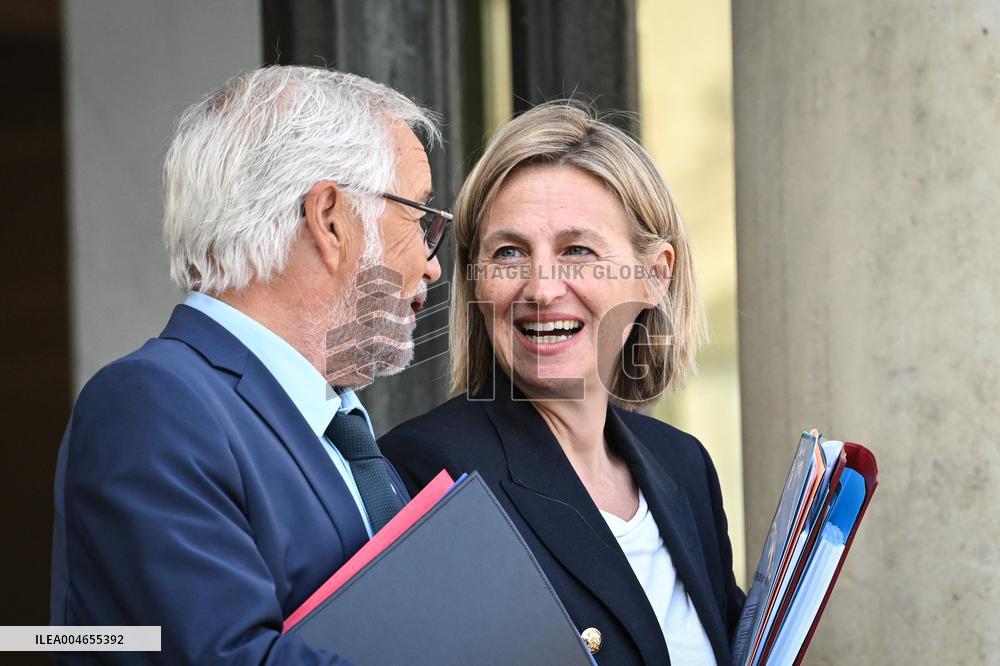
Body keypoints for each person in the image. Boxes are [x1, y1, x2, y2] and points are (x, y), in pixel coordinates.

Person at [50, 66, 449, 664]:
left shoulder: (339, 426)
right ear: (330, 218)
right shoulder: (152, 405)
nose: (431, 263)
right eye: (418, 218)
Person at [380, 101, 744, 665]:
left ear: (655, 274)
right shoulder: (428, 473)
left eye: (577, 250)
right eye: (509, 253)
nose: (542, 287)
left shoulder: (685, 467)